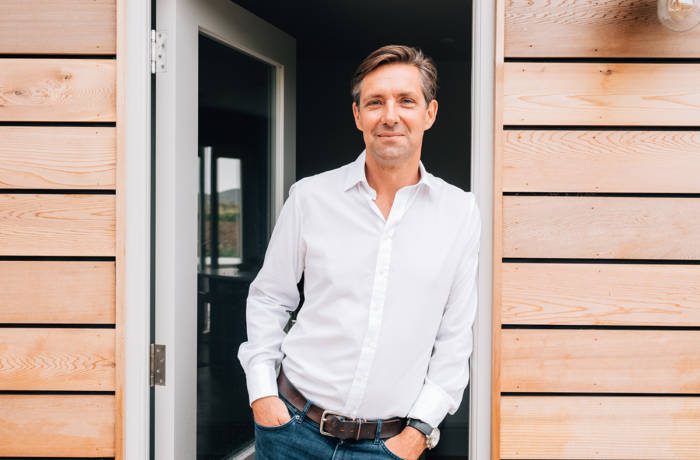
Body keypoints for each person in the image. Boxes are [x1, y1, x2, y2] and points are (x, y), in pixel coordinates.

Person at [238, 44, 481, 460]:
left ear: (430, 113)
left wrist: (420, 430)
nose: (390, 115)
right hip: (291, 431)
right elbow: (269, 298)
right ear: (358, 116)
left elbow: (454, 336)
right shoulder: (310, 197)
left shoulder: (460, 211)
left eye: (406, 100)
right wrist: (263, 395)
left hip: (389, 447)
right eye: (375, 102)